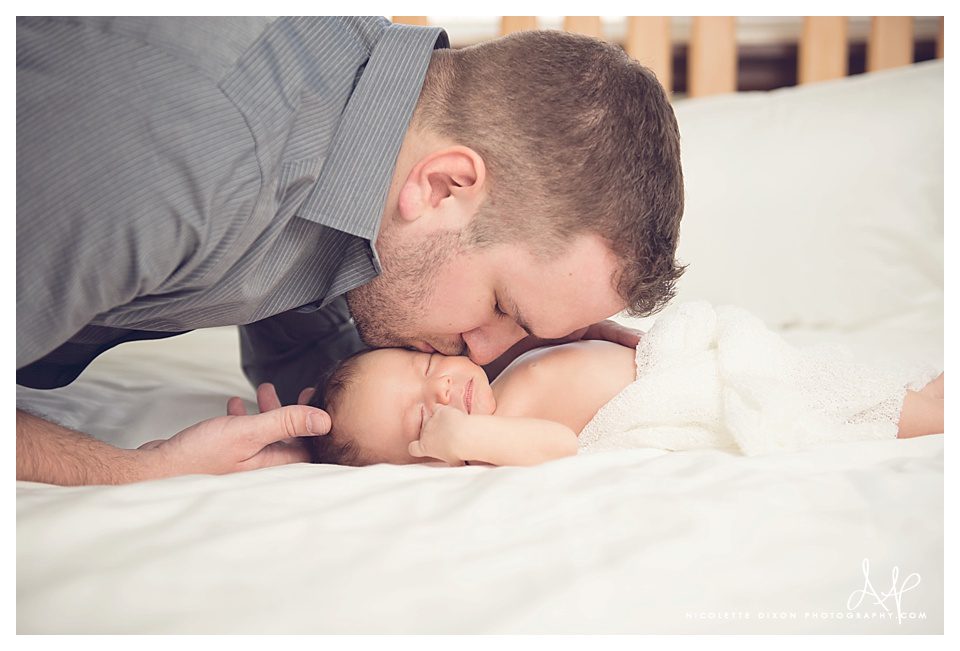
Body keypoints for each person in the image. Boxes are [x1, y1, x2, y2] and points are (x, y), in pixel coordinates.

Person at [16, 17, 685, 484]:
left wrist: (532, 366)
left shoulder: (363, 152)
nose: (485, 348)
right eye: (502, 305)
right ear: (443, 184)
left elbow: (321, 355)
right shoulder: (192, 151)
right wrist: (141, 468)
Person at [305, 302, 945, 467]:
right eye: (422, 420)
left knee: (849, 379)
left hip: (694, 363)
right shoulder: (489, 435)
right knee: (864, 409)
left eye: (423, 370)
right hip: (700, 394)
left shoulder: (497, 371)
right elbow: (557, 444)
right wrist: (468, 434)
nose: (442, 394)